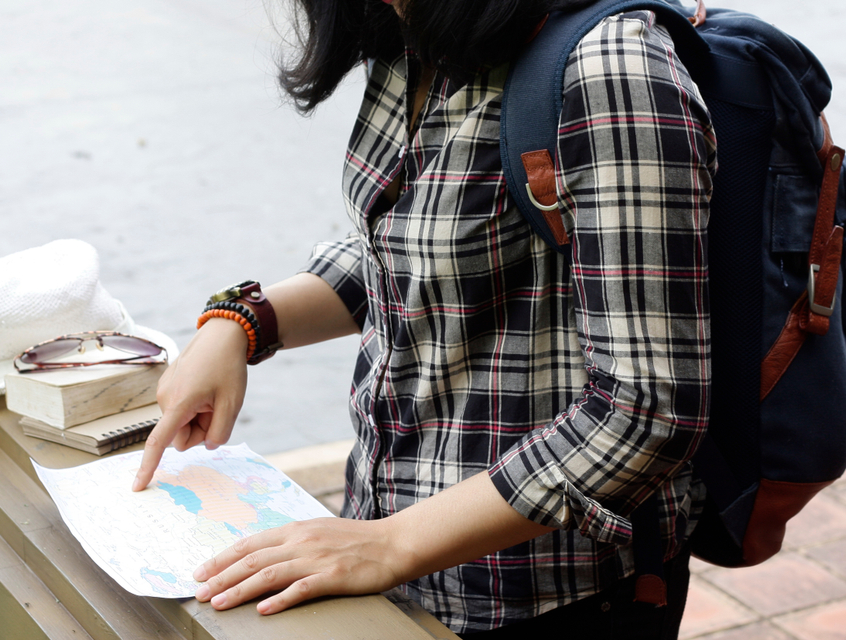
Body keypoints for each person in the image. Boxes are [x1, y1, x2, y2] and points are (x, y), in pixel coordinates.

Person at [132, 0, 716, 637]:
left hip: (542, 595)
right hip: (388, 558)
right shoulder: (409, 29)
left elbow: (648, 408)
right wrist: (242, 322)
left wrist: (390, 546)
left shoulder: (613, 68)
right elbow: (409, 250)